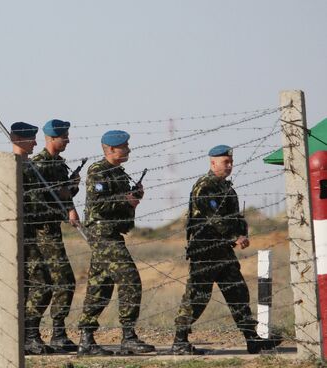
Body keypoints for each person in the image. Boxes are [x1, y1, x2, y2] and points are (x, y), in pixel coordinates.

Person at [171, 145, 283, 355]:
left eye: (231, 162)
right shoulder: (204, 187)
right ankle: (180, 340)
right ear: (213, 163)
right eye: (225, 162)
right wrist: (234, 236)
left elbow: (235, 217)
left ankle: (252, 339)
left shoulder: (227, 188)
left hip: (224, 251)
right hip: (205, 251)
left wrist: (243, 233)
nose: (229, 166)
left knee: (238, 292)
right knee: (198, 296)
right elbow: (214, 218)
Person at [77, 130, 154, 355]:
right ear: (110, 149)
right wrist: (125, 199)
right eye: (124, 146)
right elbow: (98, 203)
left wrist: (133, 199)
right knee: (130, 279)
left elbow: (119, 204)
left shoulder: (119, 173)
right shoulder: (98, 171)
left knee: (100, 285)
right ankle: (128, 337)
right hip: (102, 233)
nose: (128, 149)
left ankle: (86, 340)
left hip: (111, 233)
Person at [30, 119, 80, 352]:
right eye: (64, 136)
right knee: (51, 282)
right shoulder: (38, 165)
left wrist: (70, 190)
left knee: (61, 281)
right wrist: (63, 204)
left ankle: (58, 331)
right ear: (51, 138)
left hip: (53, 230)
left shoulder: (59, 164)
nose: (68, 140)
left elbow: (61, 194)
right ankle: (32, 332)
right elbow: (37, 203)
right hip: (42, 231)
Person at [10, 122, 54, 355]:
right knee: (43, 284)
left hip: (31, 234)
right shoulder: (12, 166)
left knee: (29, 287)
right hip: (18, 236)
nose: (36, 143)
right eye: (31, 138)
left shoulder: (29, 166)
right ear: (18, 139)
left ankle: (27, 336)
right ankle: (28, 334)